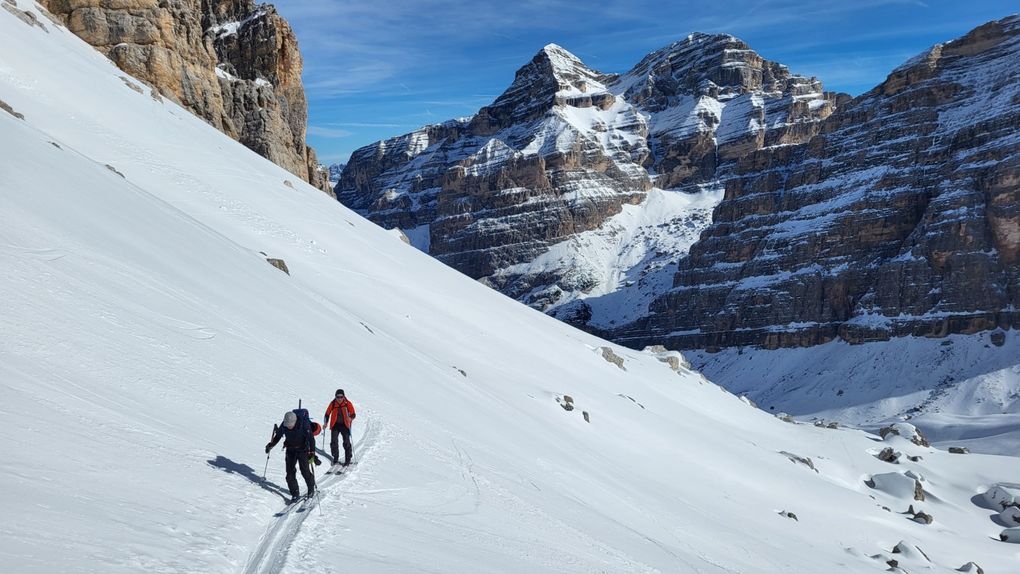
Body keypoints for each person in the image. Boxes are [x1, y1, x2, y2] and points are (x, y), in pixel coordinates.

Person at [265, 410, 316, 503]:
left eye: (290, 425)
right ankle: (295, 493)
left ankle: (311, 488)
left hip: (303, 450)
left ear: (295, 421)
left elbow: (311, 439)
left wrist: (312, 452)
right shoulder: (284, 424)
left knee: (305, 471)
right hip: (290, 450)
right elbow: (278, 436)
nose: (288, 426)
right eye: (287, 425)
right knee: (289, 474)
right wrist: (271, 445)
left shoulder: (303, 424)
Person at [323, 389, 356, 466]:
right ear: (335, 397)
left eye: (341, 397)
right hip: (335, 425)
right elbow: (327, 414)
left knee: (346, 442)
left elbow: (353, 414)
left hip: (345, 425)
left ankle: (348, 459)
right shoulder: (333, 403)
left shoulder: (347, 403)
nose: (339, 399)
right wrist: (325, 423)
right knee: (334, 442)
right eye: (338, 397)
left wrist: (350, 418)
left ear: (344, 396)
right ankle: (335, 458)